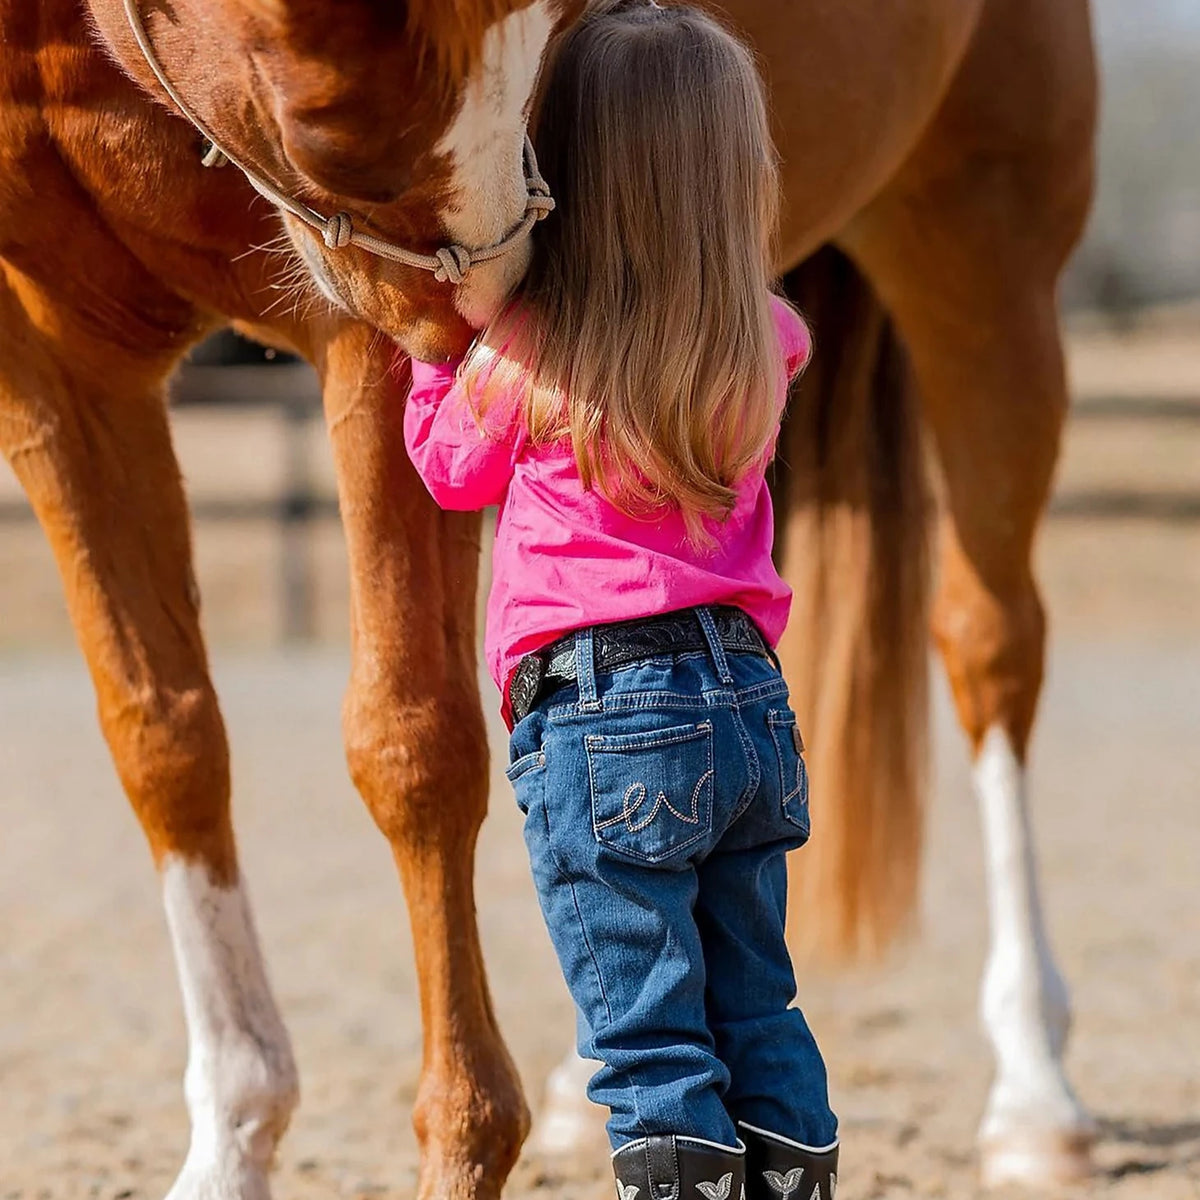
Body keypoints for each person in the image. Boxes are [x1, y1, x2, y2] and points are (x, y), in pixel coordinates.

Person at [403, 3, 838, 1197]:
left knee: (648, 1041)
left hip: (601, 716)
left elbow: (447, 470)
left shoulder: (528, 353)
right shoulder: (769, 339)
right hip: (748, 699)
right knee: (760, 1009)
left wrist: (435, 345)